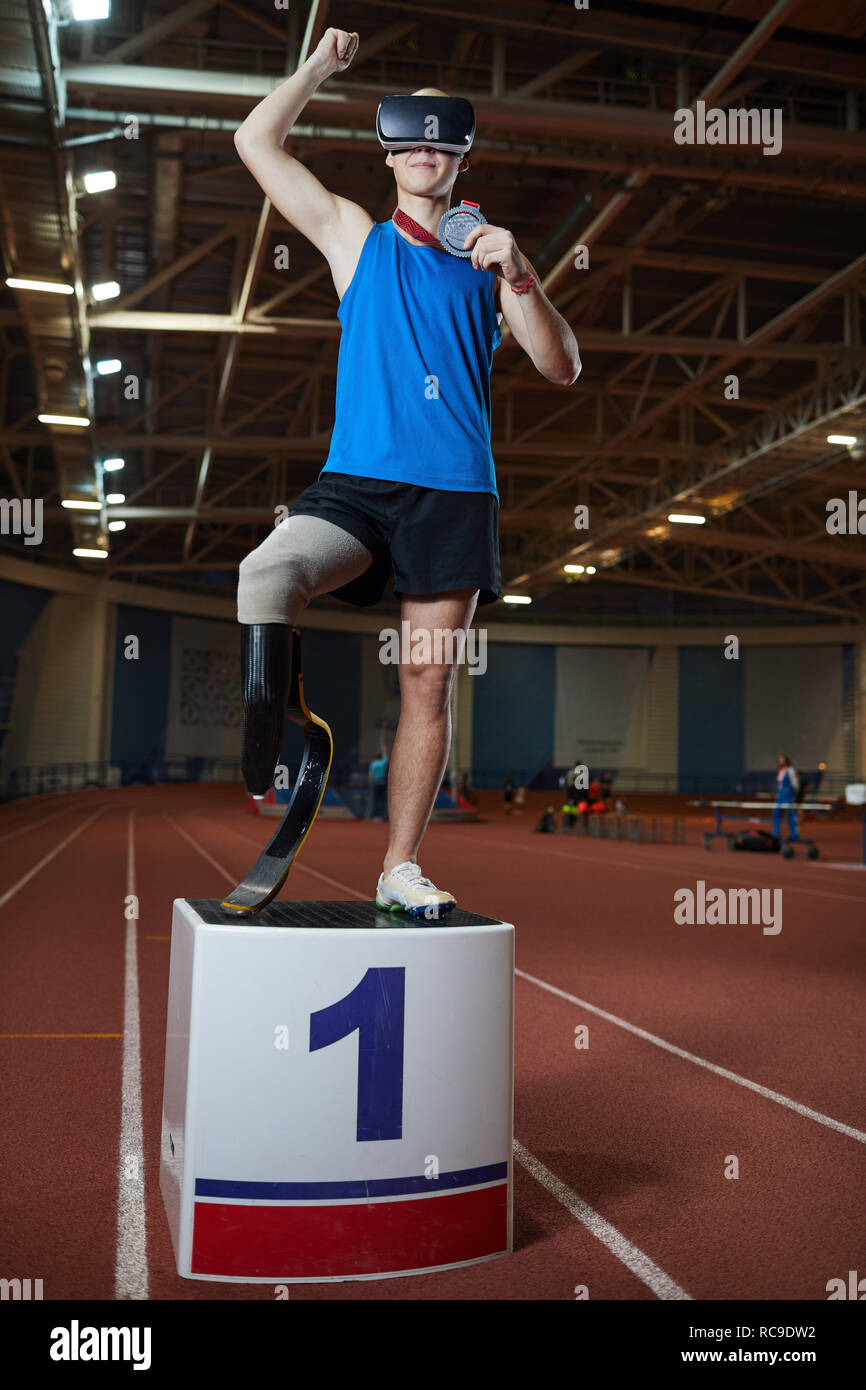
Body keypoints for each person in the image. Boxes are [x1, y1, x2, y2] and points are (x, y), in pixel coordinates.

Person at [233, 28, 581, 917]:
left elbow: (562, 368)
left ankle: (398, 867)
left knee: (427, 679)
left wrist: (523, 275)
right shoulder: (355, 237)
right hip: (357, 486)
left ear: (461, 157)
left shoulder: (490, 263)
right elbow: (254, 143)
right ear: (391, 158)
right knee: (267, 572)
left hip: (454, 493)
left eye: (441, 143)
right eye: (410, 144)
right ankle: (280, 737)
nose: (425, 155)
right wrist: (316, 67)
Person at [773, 753, 800, 842]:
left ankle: (794, 835)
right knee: (776, 813)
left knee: (790, 815)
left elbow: (795, 784)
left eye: (782, 759)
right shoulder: (780, 770)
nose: (780, 761)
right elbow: (780, 784)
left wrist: (792, 794)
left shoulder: (790, 770)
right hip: (780, 796)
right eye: (780, 759)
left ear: (786, 760)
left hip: (788, 795)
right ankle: (776, 833)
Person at [368, 748, 389, 820]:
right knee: (383, 800)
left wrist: (370, 783)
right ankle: (384, 816)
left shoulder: (373, 764)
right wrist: (383, 747)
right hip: (383, 783)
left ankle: (374, 816)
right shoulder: (383, 763)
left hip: (376, 783)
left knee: (375, 800)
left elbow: (371, 774)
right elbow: (386, 756)